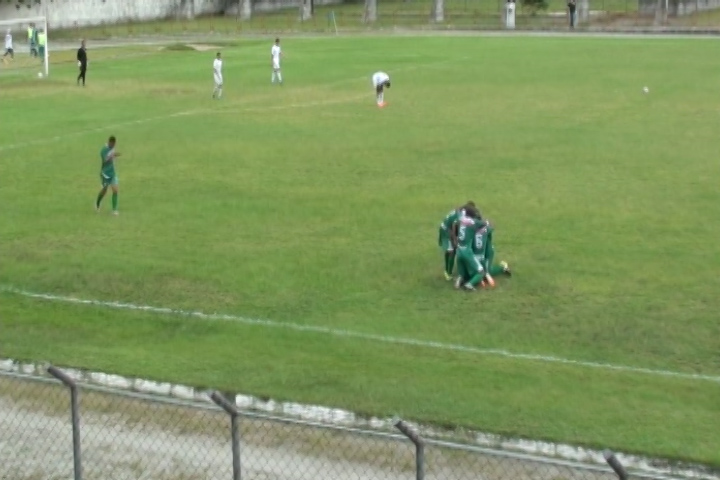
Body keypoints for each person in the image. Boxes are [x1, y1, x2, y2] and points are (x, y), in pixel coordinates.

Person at [438, 201, 476, 281]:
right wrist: (454, 240)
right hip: (446, 231)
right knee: (452, 251)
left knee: (450, 250)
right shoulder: (461, 215)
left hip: (444, 228)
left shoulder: (460, 210)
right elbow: (454, 226)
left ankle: (447, 270)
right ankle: (448, 273)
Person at [96, 136, 121, 215]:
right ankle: (97, 203)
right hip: (105, 174)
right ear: (109, 142)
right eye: (113, 144)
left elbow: (112, 159)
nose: (114, 146)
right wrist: (111, 156)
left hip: (112, 173)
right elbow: (105, 161)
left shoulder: (112, 148)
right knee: (104, 190)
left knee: (115, 190)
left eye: (114, 144)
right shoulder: (103, 150)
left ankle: (114, 210)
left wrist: (115, 155)